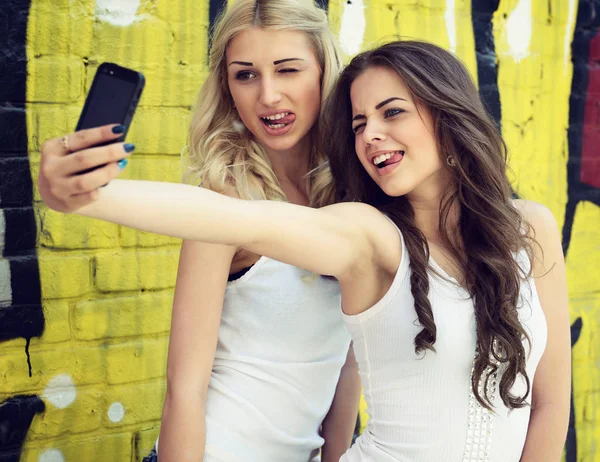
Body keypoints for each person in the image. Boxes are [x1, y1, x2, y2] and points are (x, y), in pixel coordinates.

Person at [38, 40, 570, 461]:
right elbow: (235, 217)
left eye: (392, 113)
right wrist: (89, 197)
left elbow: (549, 407)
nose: (372, 136)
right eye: (360, 124)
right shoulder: (371, 237)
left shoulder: (532, 229)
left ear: (447, 114)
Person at [40, 1, 362, 461]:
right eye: (245, 75)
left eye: (287, 70)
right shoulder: (225, 197)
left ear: (324, 72)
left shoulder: (351, 197)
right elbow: (185, 390)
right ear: (227, 87)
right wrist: (77, 194)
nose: (268, 95)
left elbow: (347, 361)